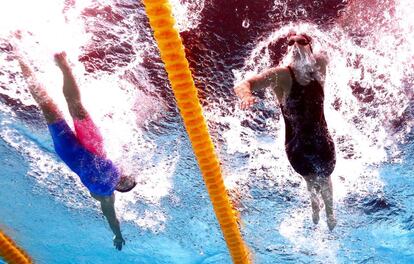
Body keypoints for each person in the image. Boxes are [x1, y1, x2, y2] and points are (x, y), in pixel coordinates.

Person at [15, 48, 137, 249]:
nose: (124, 179)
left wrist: (117, 235)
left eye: (124, 184)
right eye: (127, 178)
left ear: (119, 189)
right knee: (76, 106)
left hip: (70, 152)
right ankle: (64, 66)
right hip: (93, 146)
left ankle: (21, 59)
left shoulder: (105, 197)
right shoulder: (116, 167)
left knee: (48, 108)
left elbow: (112, 220)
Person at [234, 32, 337, 230]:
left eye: (301, 41)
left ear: (310, 47)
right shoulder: (281, 75)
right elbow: (244, 84)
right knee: (310, 179)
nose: (295, 45)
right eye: (291, 42)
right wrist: (246, 95)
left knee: (325, 178)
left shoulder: (320, 66)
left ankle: (330, 212)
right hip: (296, 146)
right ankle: (315, 208)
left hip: (322, 141)